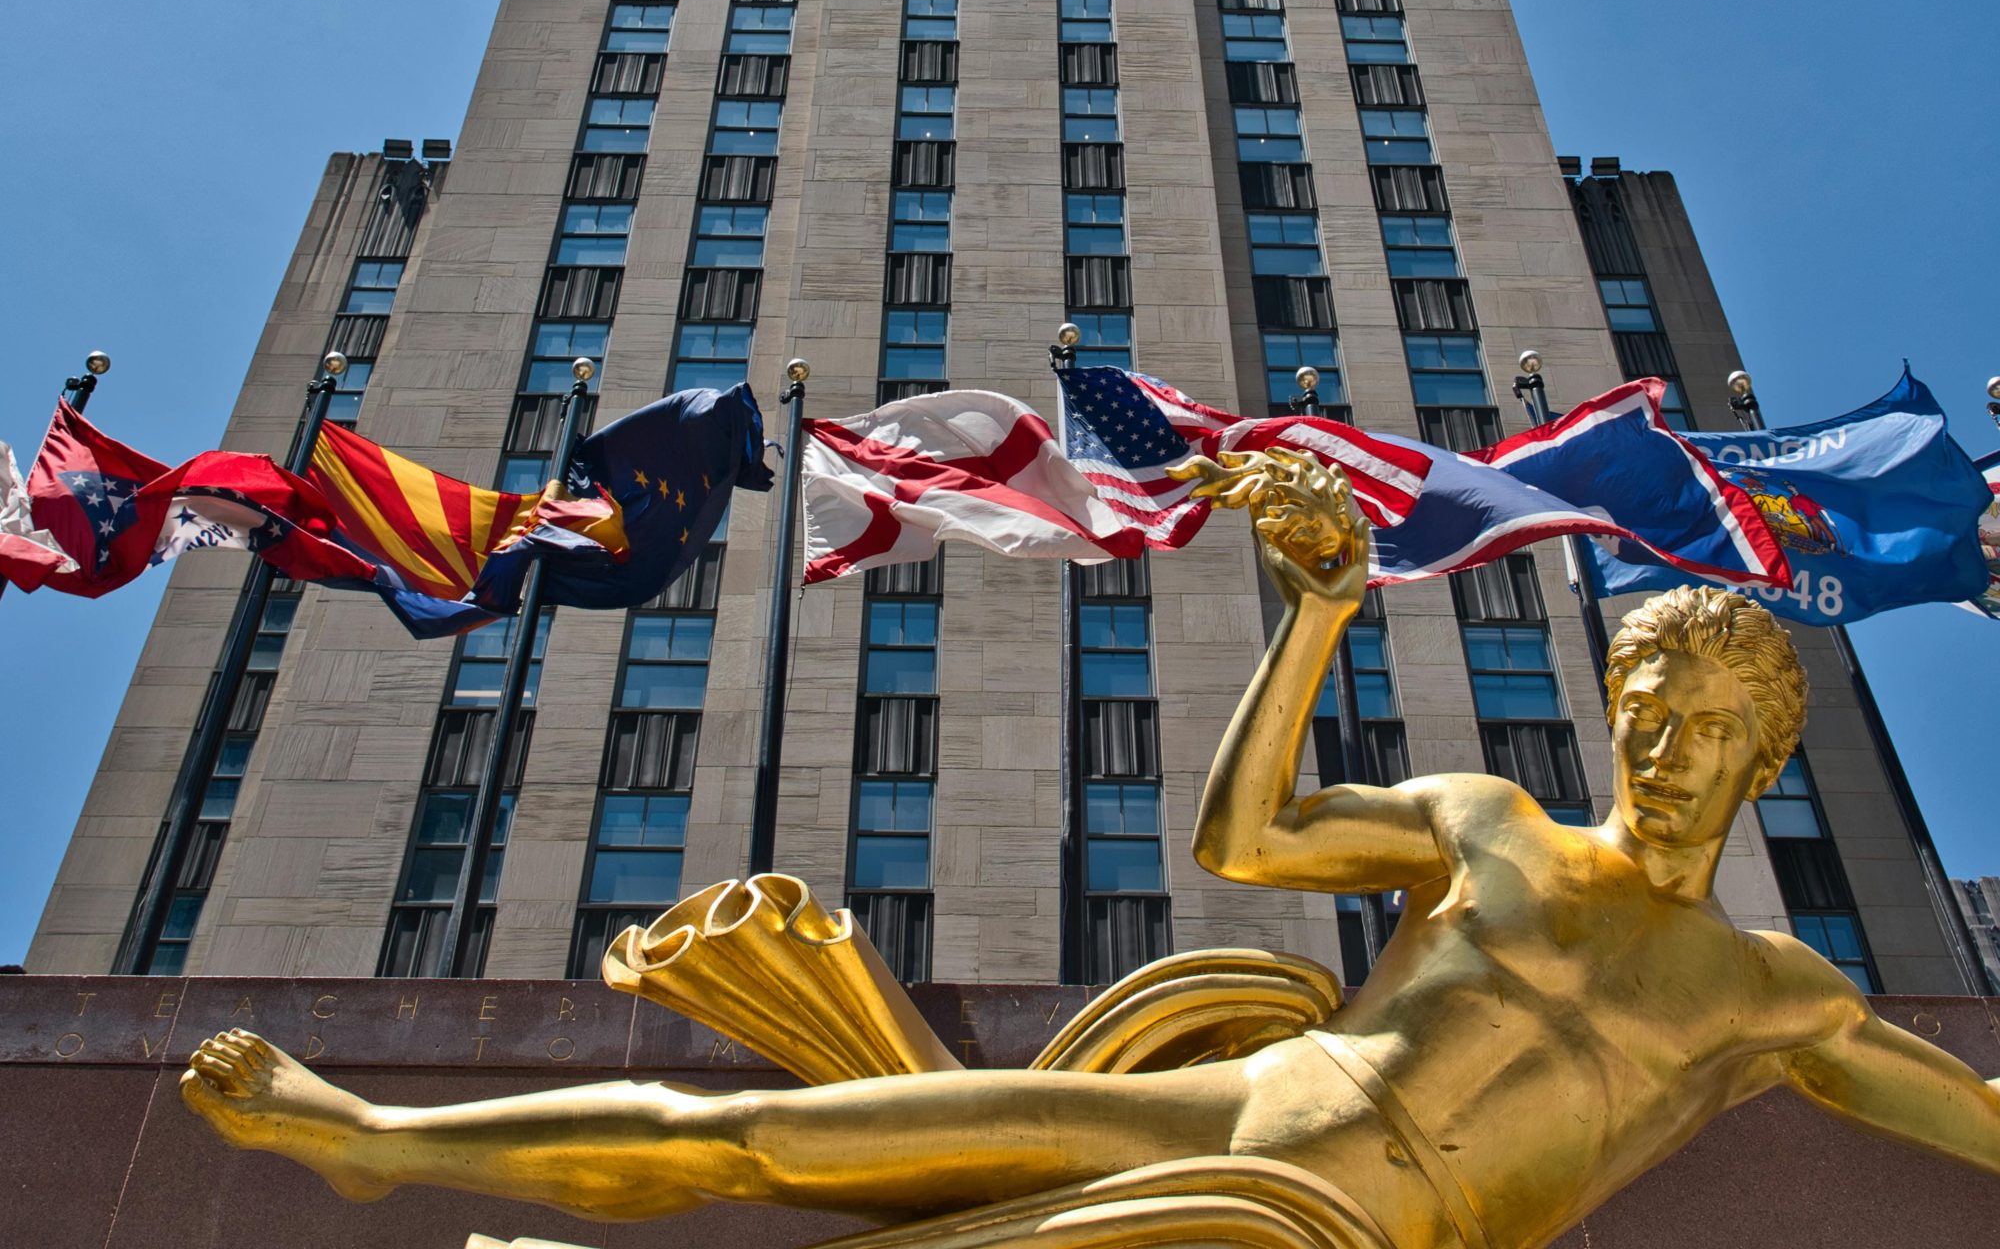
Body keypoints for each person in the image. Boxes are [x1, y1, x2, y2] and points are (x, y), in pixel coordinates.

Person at [181, 449, 2000, 1247]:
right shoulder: (1493, 825)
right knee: (763, 1137)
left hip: (1355, 1222)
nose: (1671, 756)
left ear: (1773, 753)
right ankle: (372, 1139)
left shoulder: (1781, 994)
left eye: (1710, 737)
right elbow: (1249, 833)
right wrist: (1313, 621)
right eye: (1650, 721)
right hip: (1238, 1111)